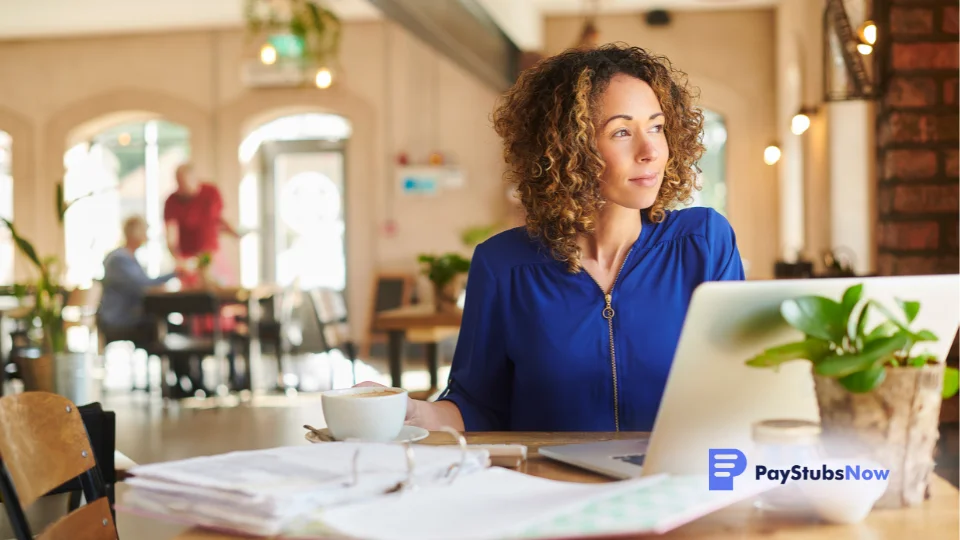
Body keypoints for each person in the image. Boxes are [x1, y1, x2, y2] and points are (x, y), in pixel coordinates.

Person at [360, 44, 745, 432]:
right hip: (552, 486)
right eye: (622, 132)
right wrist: (414, 413)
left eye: (657, 127)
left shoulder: (703, 243)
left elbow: (741, 384)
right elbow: (479, 406)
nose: (650, 151)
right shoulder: (503, 266)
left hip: (675, 484)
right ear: (568, 150)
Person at [98, 216, 178, 341]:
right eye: (145, 231)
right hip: (119, 319)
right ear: (135, 233)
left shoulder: (130, 258)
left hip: (130, 316)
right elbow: (143, 285)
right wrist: (175, 273)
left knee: (174, 328)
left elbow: (144, 284)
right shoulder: (119, 259)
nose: (147, 236)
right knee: (159, 327)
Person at [163, 163, 239, 286]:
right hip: (188, 258)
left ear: (194, 179)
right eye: (179, 184)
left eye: (184, 183)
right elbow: (170, 234)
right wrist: (177, 259)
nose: (181, 188)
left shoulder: (211, 192)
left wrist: (234, 232)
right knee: (192, 294)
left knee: (220, 287)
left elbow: (218, 219)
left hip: (212, 254)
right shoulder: (172, 201)